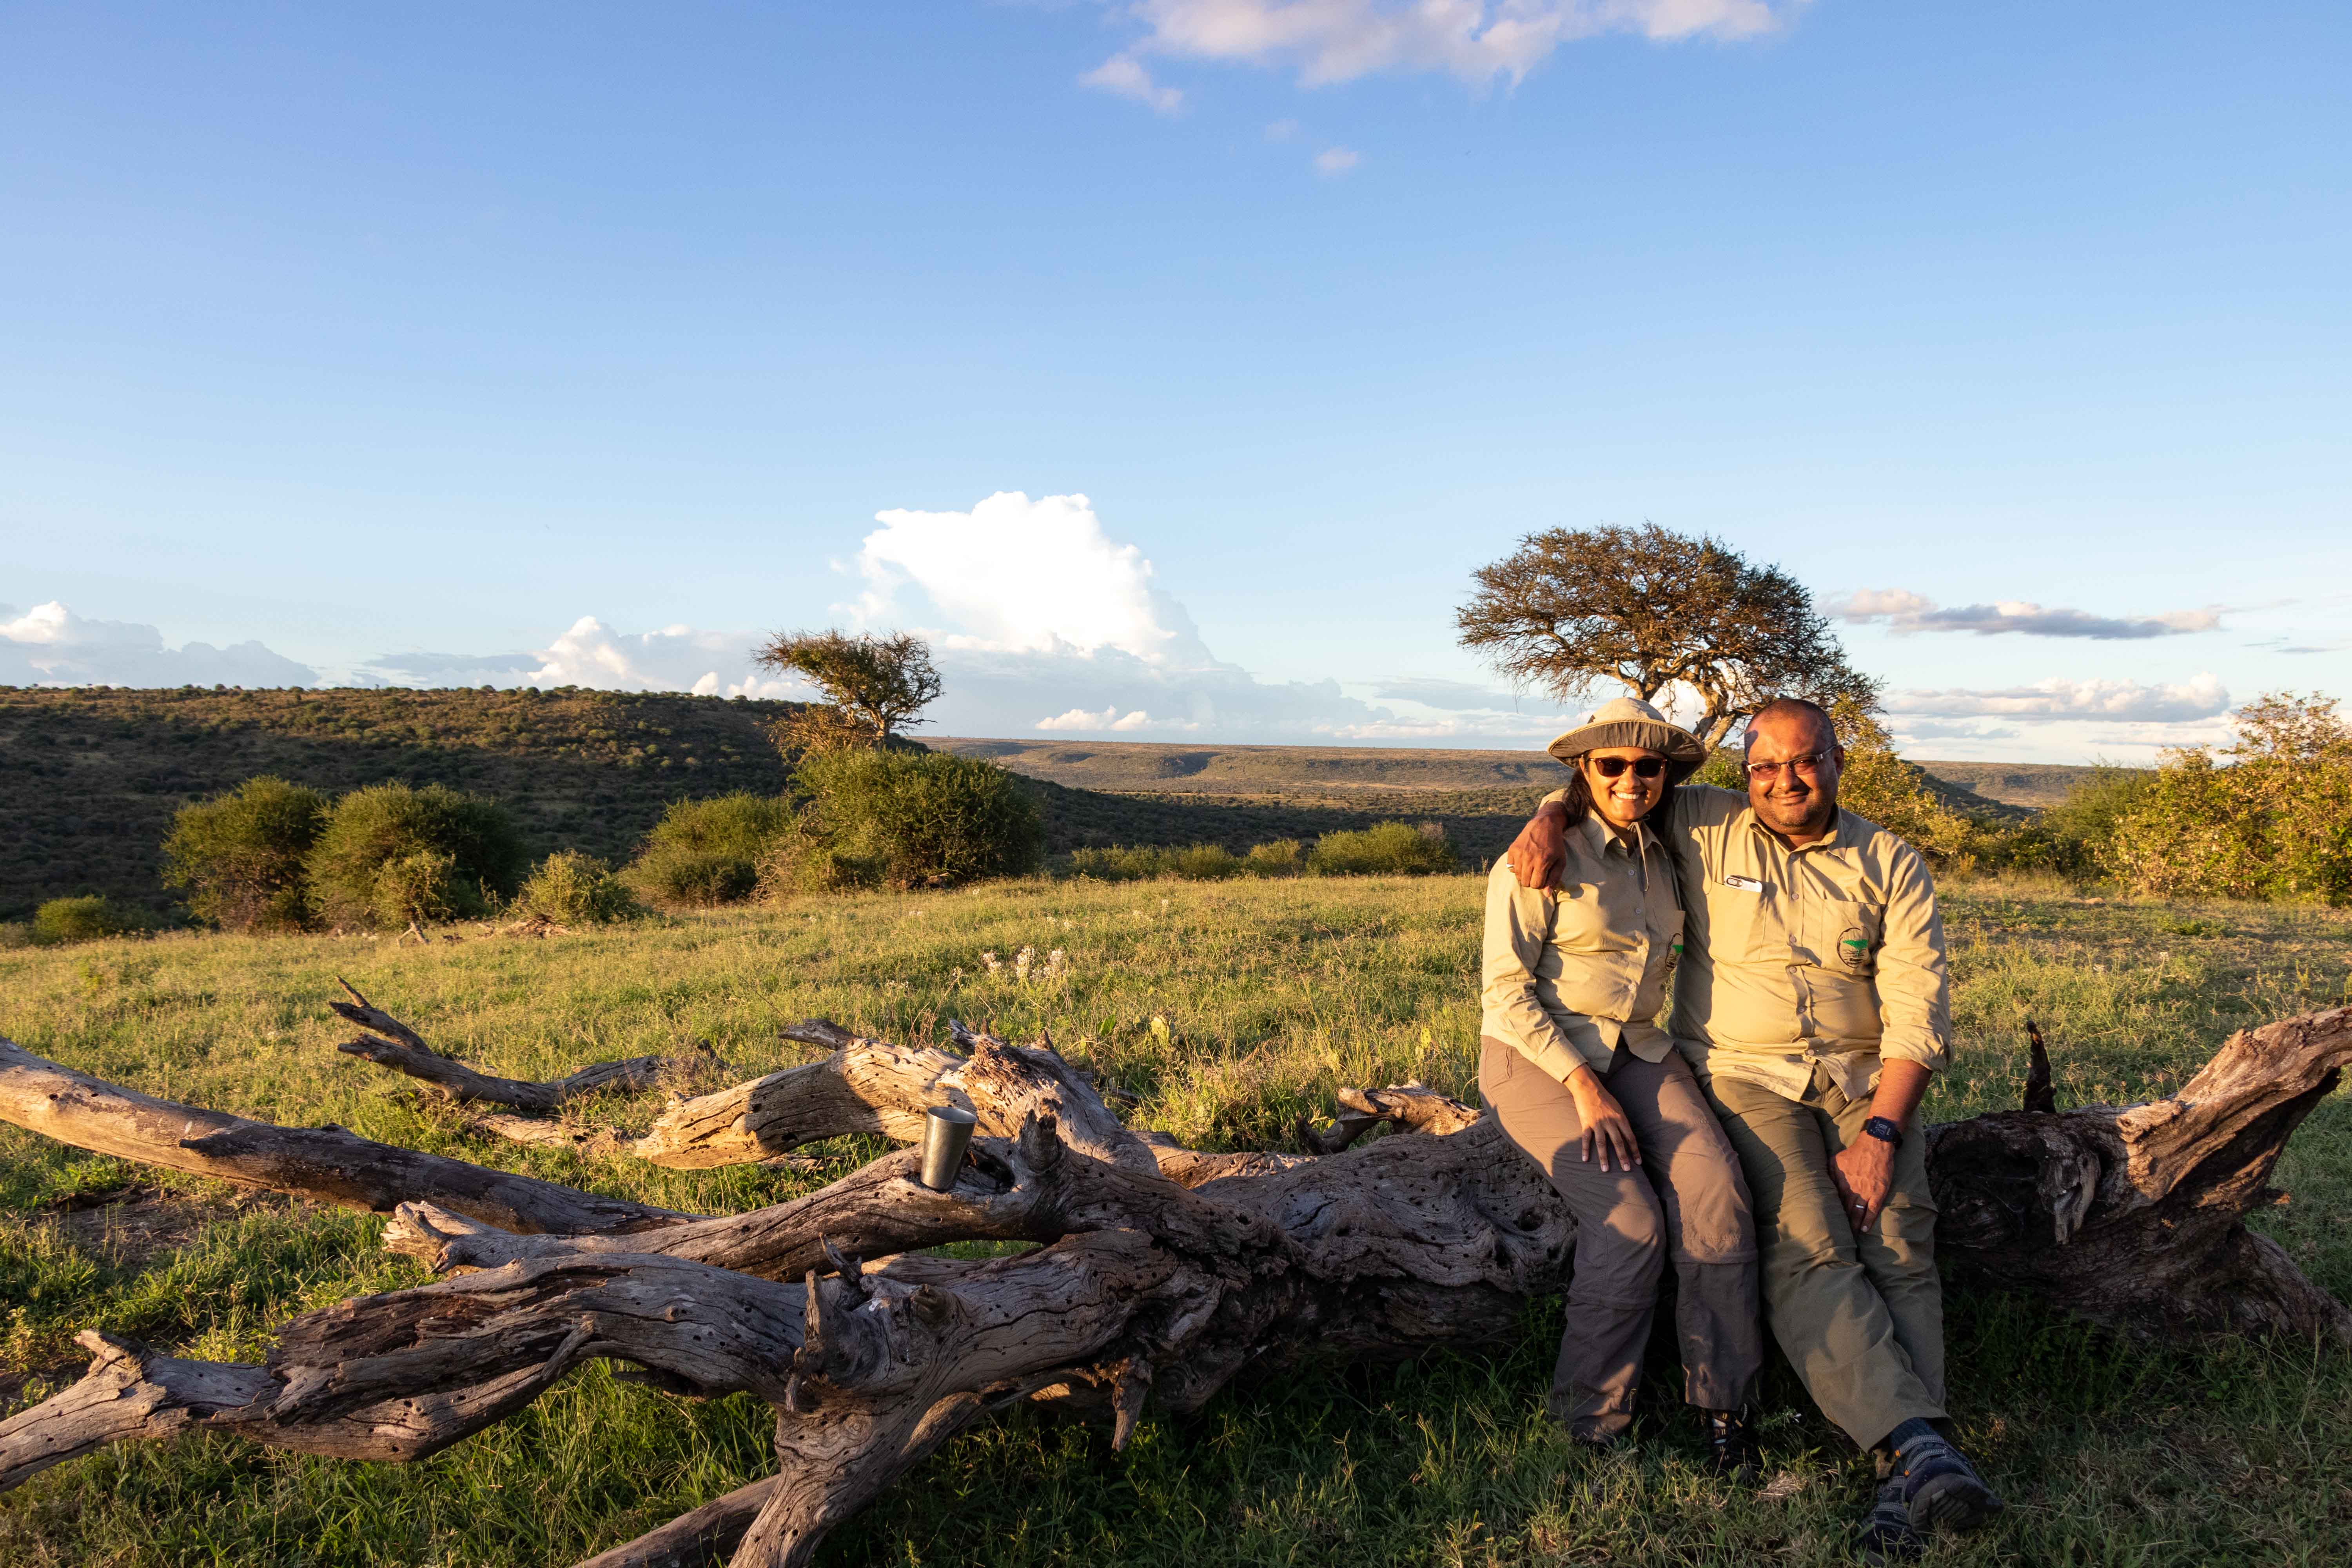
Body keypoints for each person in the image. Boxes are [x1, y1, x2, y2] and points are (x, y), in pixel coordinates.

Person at [1504, 695, 2001, 1562]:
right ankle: (1919, 1447)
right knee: (1808, 1241)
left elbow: (1920, 1013)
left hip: (1864, 1078)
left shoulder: (1891, 859)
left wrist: (1882, 1132)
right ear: (1743, 775)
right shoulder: (1707, 823)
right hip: (1746, 1074)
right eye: (1764, 766)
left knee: (1899, 1238)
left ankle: (1910, 1459)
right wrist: (1547, 815)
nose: (1784, 781)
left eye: (1804, 761)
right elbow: (1606, 783)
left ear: (1840, 760)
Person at [1481, 697, 1764, 1478]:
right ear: (1584, 769)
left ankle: (1723, 1407)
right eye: (1612, 765)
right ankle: (1588, 1426)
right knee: (1630, 1218)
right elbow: (1504, 991)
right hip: (1537, 1057)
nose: (1632, 779)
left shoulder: (1665, 847)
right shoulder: (1542, 855)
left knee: (1716, 1188)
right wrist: (1583, 1086)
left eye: (1649, 766)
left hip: (1638, 1048)